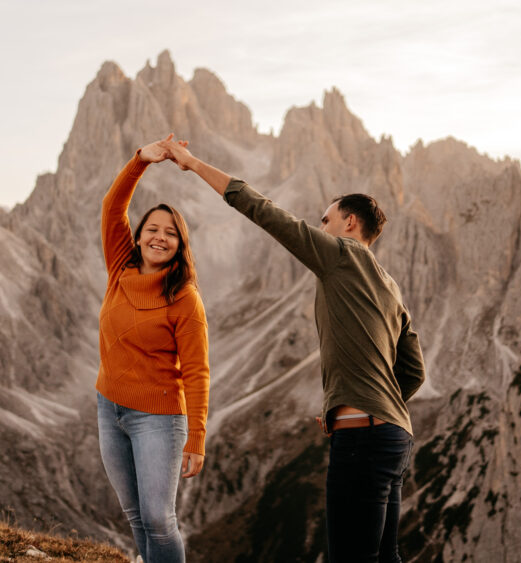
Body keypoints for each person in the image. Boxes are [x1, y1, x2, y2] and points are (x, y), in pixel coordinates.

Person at [161, 137, 425, 563]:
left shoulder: (339, 254)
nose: (319, 227)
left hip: (361, 437)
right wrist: (370, 400)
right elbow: (414, 373)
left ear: (350, 223)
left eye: (326, 220)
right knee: (386, 556)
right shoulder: (392, 288)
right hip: (396, 435)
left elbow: (262, 210)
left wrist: (192, 163)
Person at [95, 135, 209, 563]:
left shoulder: (183, 296)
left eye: (170, 234)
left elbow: (197, 370)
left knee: (160, 520)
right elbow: (112, 207)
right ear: (139, 235)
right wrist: (140, 161)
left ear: (180, 246)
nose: (160, 238)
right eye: (152, 230)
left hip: (159, 420)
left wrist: (195, 437)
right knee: (136, 516)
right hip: (110, 408)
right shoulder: (119, 268)